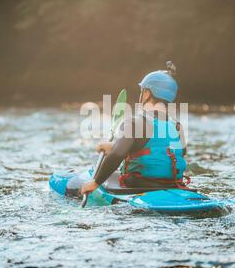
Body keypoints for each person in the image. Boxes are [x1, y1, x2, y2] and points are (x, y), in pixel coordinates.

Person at [80, 63, 188, 196]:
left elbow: (118, 154)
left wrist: (95, 183)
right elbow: (171, 151)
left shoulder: (134, 122)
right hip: (172, 185)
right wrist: (116, 145)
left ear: (147, 93)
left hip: (139, 185)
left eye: (142, 91)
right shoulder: (177, 126)